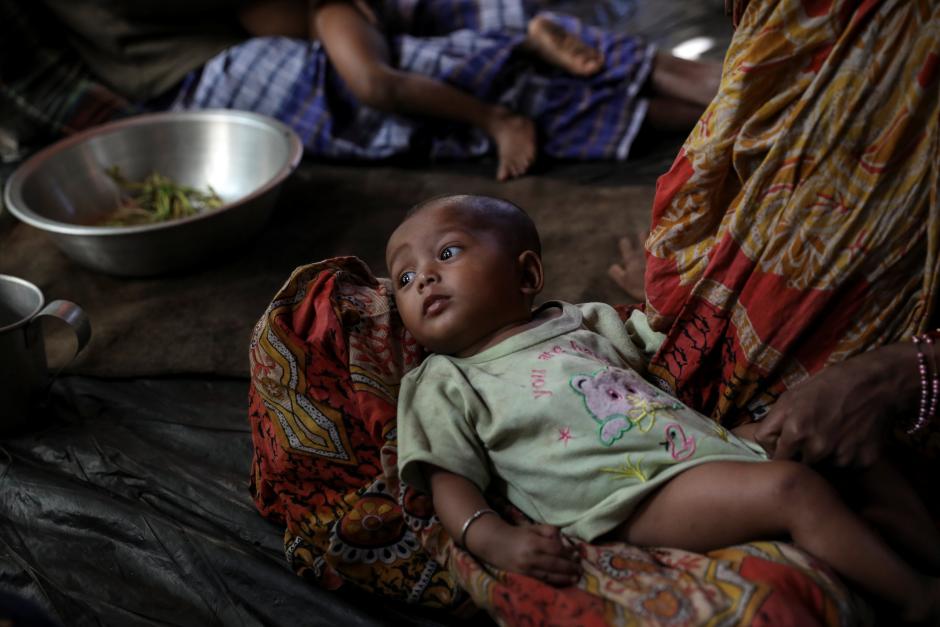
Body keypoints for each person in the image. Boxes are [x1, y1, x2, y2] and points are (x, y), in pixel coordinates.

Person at [387, 194, 940, 622]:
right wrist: (494, 540)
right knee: (792, 491)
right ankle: (918, 602)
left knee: (846, 445)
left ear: (527, 275)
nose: (424, 278)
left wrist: (660, 297)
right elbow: (448, 482)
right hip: (628, 498)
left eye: (448, 252)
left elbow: (678, 345)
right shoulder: (443, 380)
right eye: (405, 277)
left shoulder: (585, 321)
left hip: (700, 448)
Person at [605, 0, 939, 491]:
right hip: (730, 403)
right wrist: (694, 283)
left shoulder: (909, 36)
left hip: (866, 439)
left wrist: (905, 373)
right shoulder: (782, 31)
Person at [32, 0, 721, 182]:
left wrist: (493, 119)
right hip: (261, 46)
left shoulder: (333, 20)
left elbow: (376, 83)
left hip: (335, 26)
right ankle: (705, 90)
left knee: (412, 81)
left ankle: (711, 91)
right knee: (434, 66)